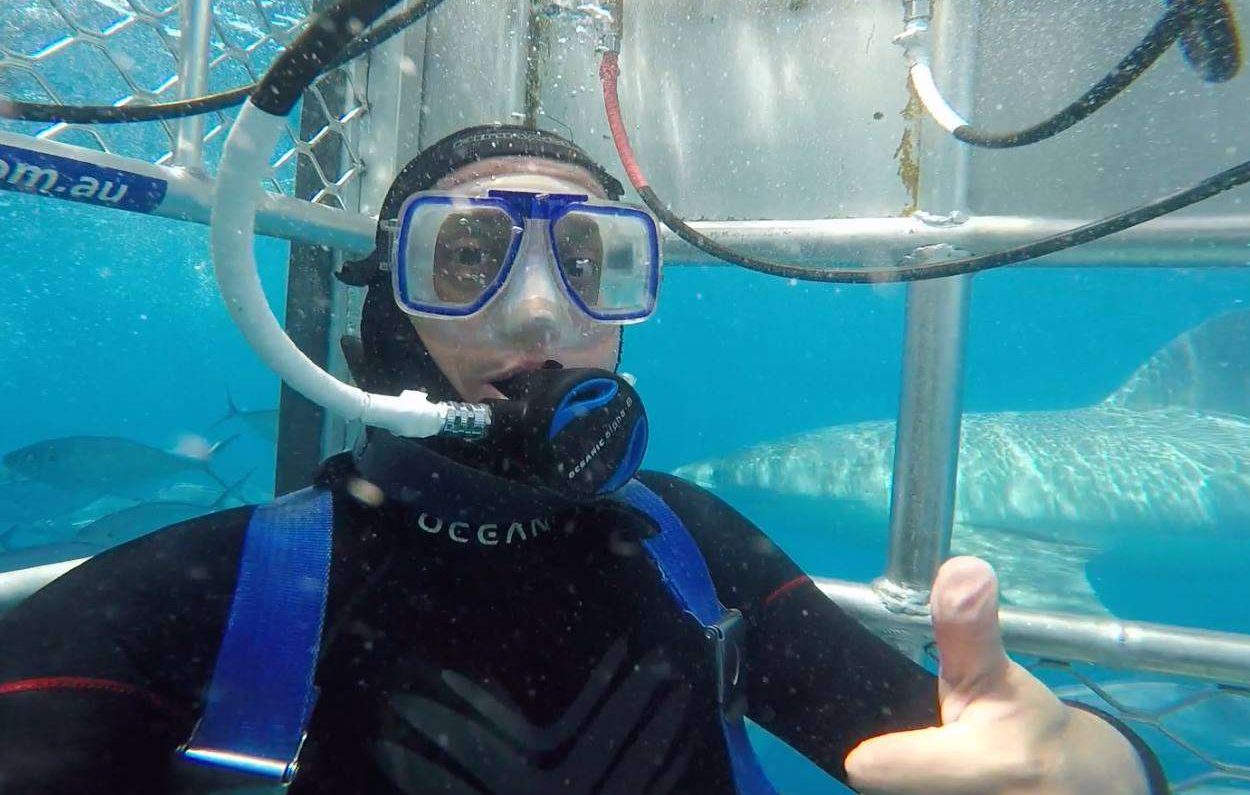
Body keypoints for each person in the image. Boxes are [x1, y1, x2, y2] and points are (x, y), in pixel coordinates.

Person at [0, 126, 1166, 795]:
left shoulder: (693, 553)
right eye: (465, 260)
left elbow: (983, 749)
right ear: (382, 323)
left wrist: (1109, 768)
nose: (540, 320)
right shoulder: (196, 592)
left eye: (596, 263)